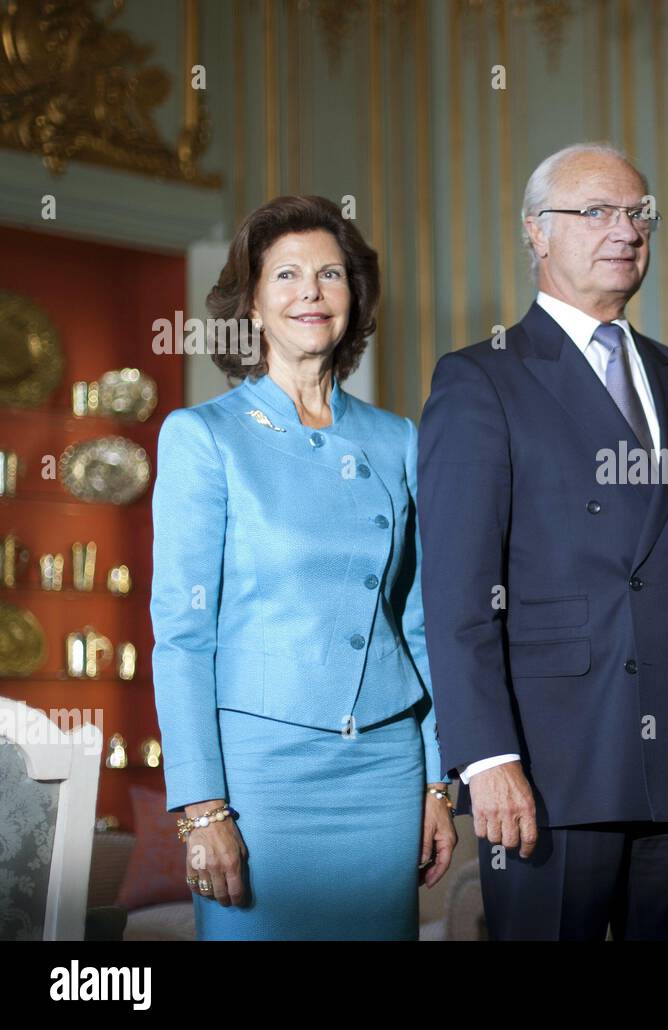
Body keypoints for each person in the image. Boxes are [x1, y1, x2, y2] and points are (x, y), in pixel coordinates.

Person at [418, 142, 668, 940]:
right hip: (548, 764)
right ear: (536, 231)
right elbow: (456, 593)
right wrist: (487, 758)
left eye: (639, 213)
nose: (625, 230)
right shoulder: (480, 377)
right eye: (595, 211)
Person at [150, 195, 456, 940]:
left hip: (386, 768)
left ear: (354, 297)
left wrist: (437, 780)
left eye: (330, 274)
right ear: (251, 305)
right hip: (261, 780)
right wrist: (202, 809)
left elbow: (425, 622)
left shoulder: (397, 439)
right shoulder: (203, 437)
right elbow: (182, 637)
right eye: (286, 275)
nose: (310, 292)